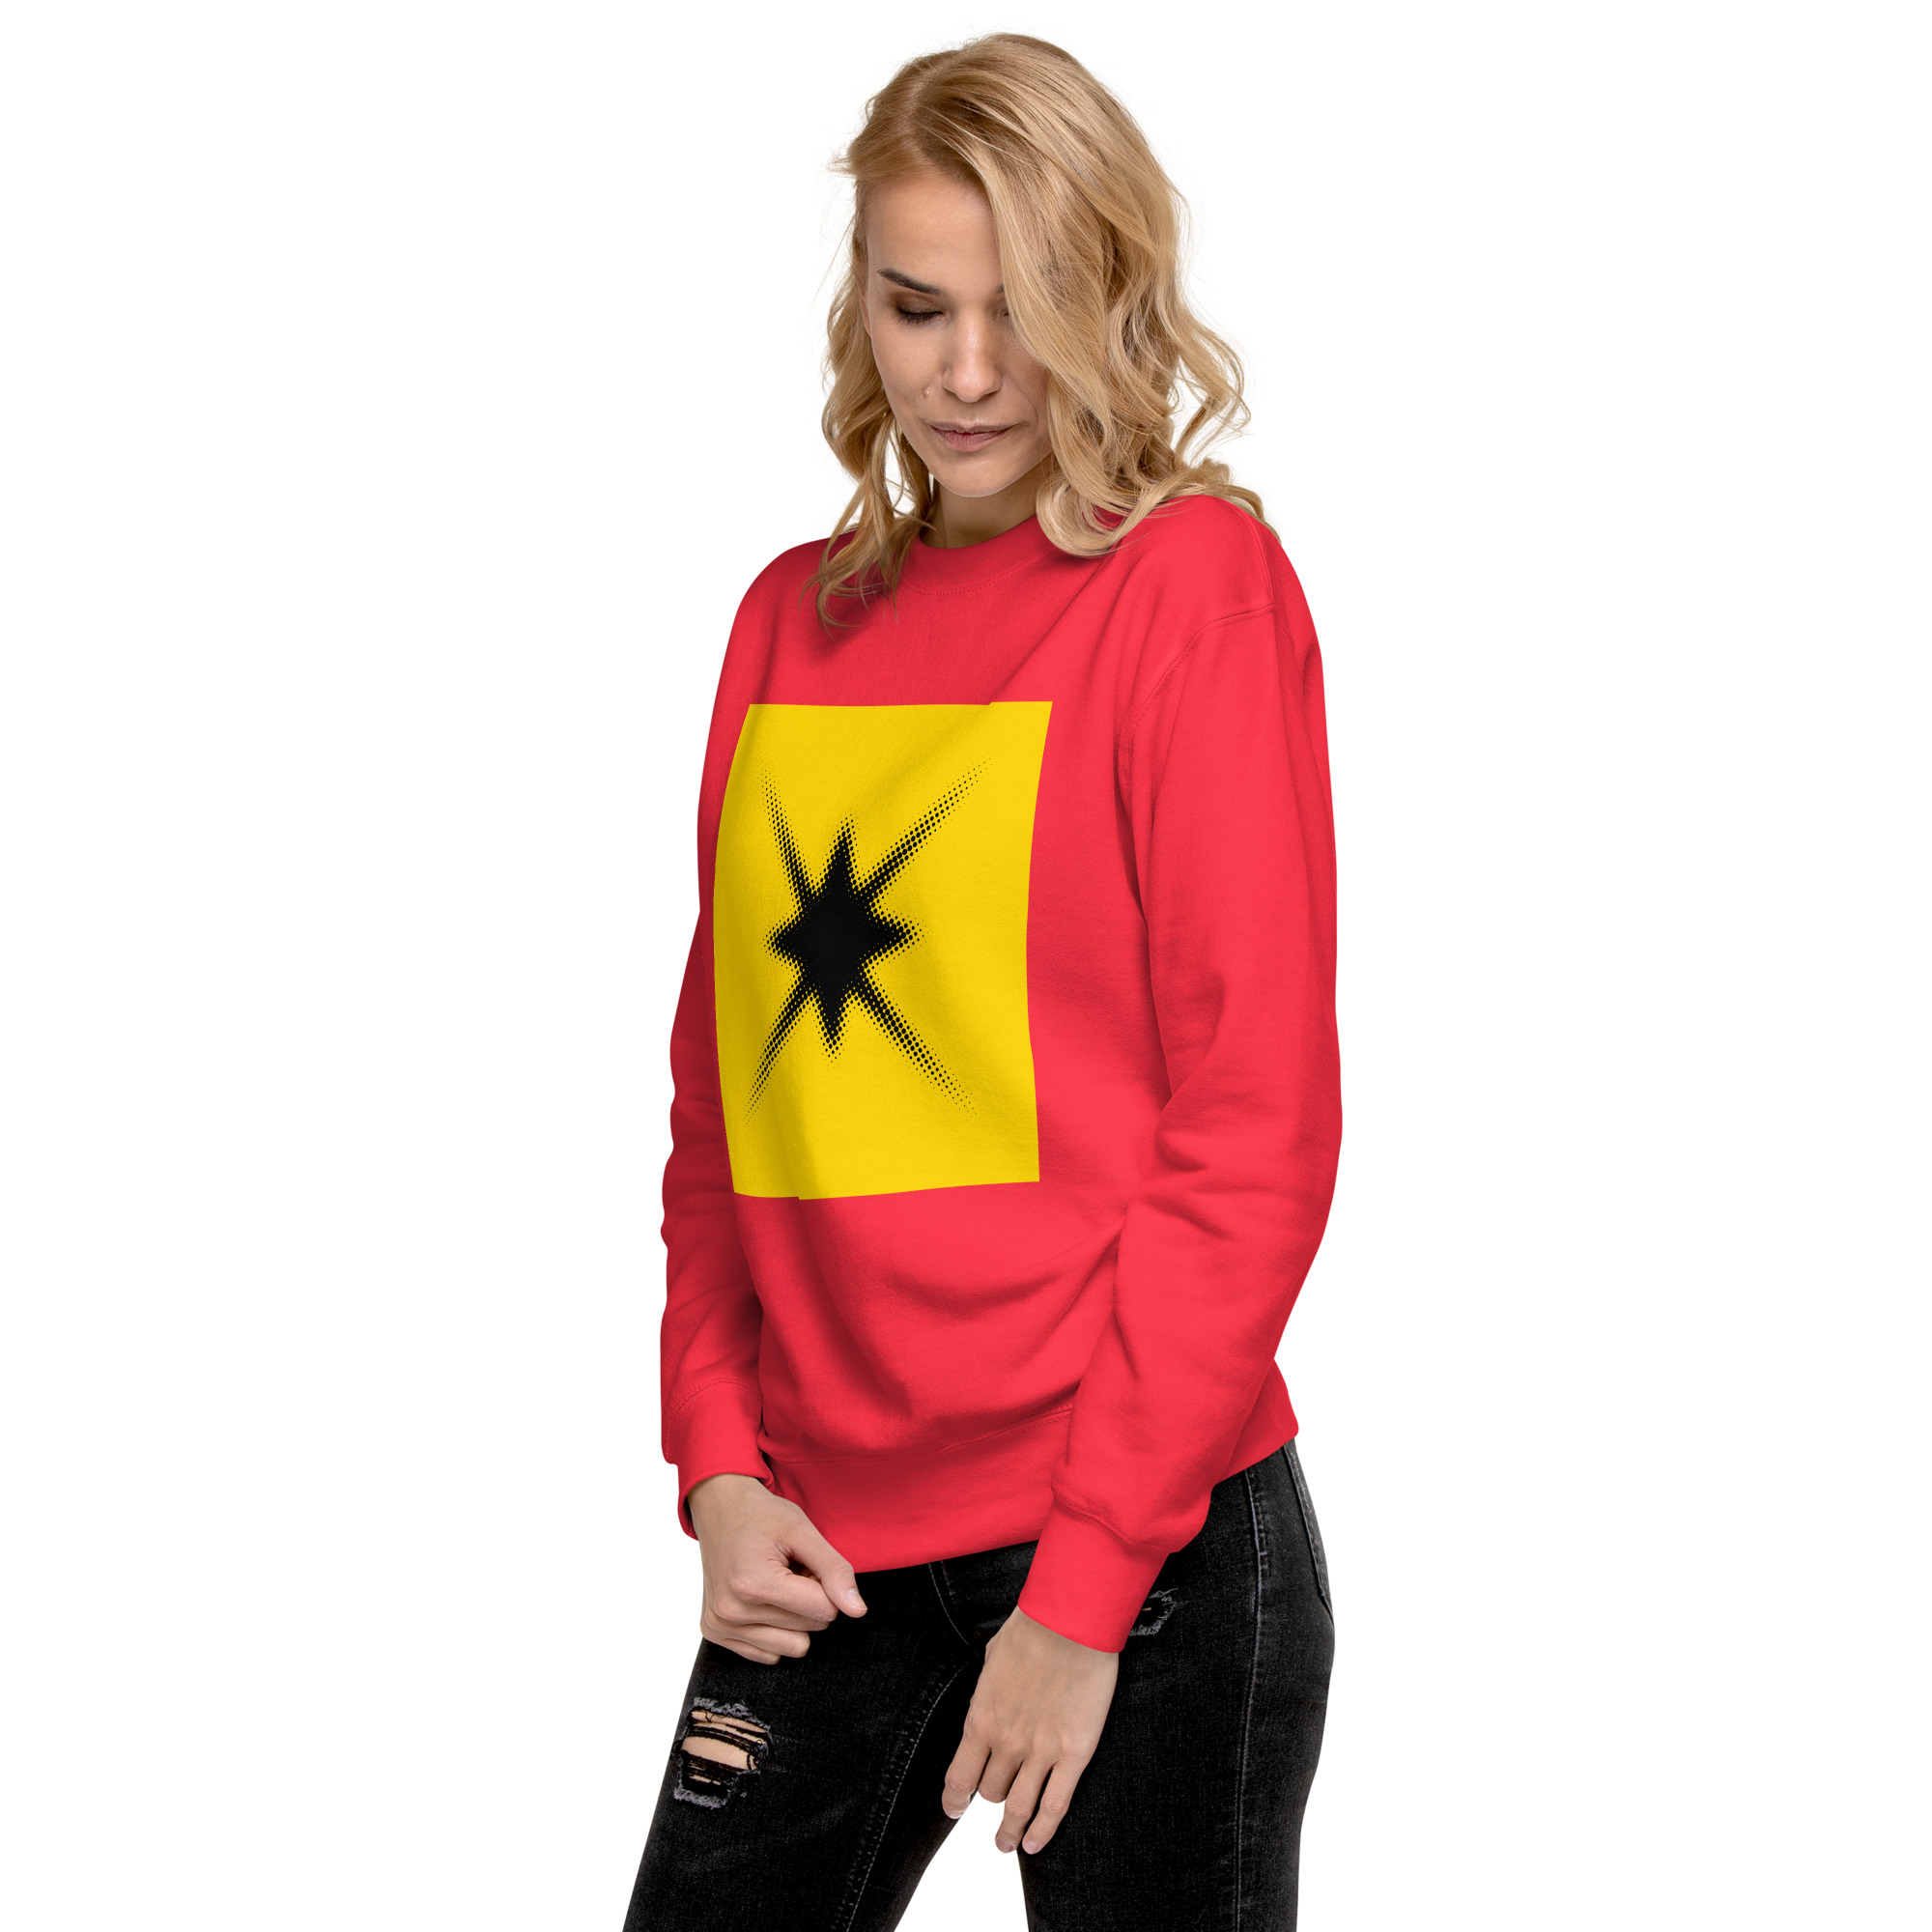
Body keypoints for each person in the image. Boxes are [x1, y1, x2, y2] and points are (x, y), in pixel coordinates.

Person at [622, 33, 1342, 1932]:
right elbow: (725, 1104)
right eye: (917, 304)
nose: (964, 372)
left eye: (1020, 307)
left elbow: (1254, 1129)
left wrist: (1084, 1590)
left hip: (1142, 1557)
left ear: (1111, 289)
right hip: (820, 1554)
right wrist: (715, 1460)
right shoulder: (788, 624)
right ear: (859, 304)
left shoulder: (1188, 590)